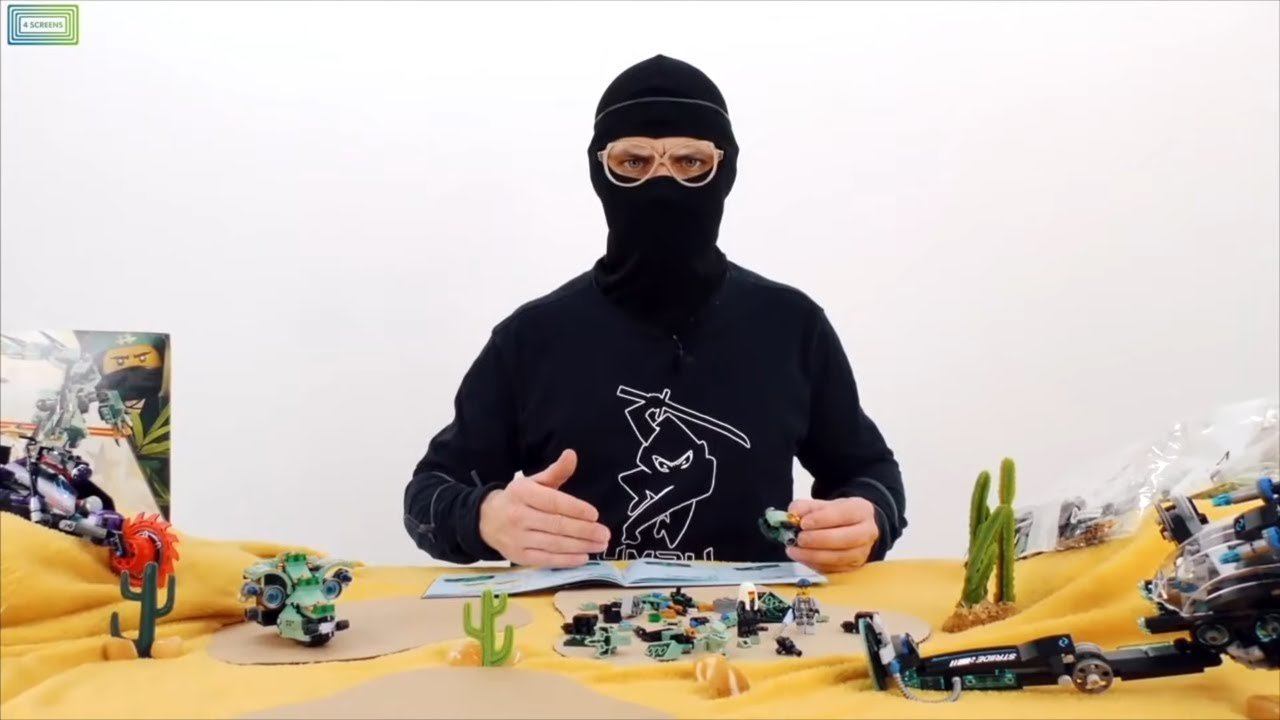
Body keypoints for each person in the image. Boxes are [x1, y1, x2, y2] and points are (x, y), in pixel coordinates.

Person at [403, 55, 905, 573]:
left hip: (752, 620)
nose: (661, 185)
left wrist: (867, 518)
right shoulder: (530, 339)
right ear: (599, 172)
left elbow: (868, 471)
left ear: (725, 170)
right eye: (633, 162)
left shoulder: (792, 327)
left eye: (690, 162)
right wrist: (485, 517)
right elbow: (429, 492)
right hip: (570, 622)